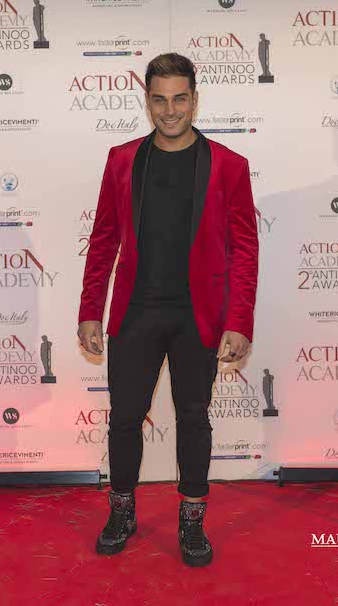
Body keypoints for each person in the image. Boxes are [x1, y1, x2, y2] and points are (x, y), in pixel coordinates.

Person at [77, 53, 259, 567]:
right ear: (148, 101)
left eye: (180, 99)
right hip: (136, 312)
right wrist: (90, 309)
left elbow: (245, 249)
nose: (170, 110)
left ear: (195, 100)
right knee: (124, 419)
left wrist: (238, 321)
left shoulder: (228, 165)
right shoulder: (122, 160)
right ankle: (122, 512)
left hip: (197, 316)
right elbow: (103, 238)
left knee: (194, 417)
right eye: (160, 99)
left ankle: (192, 520)